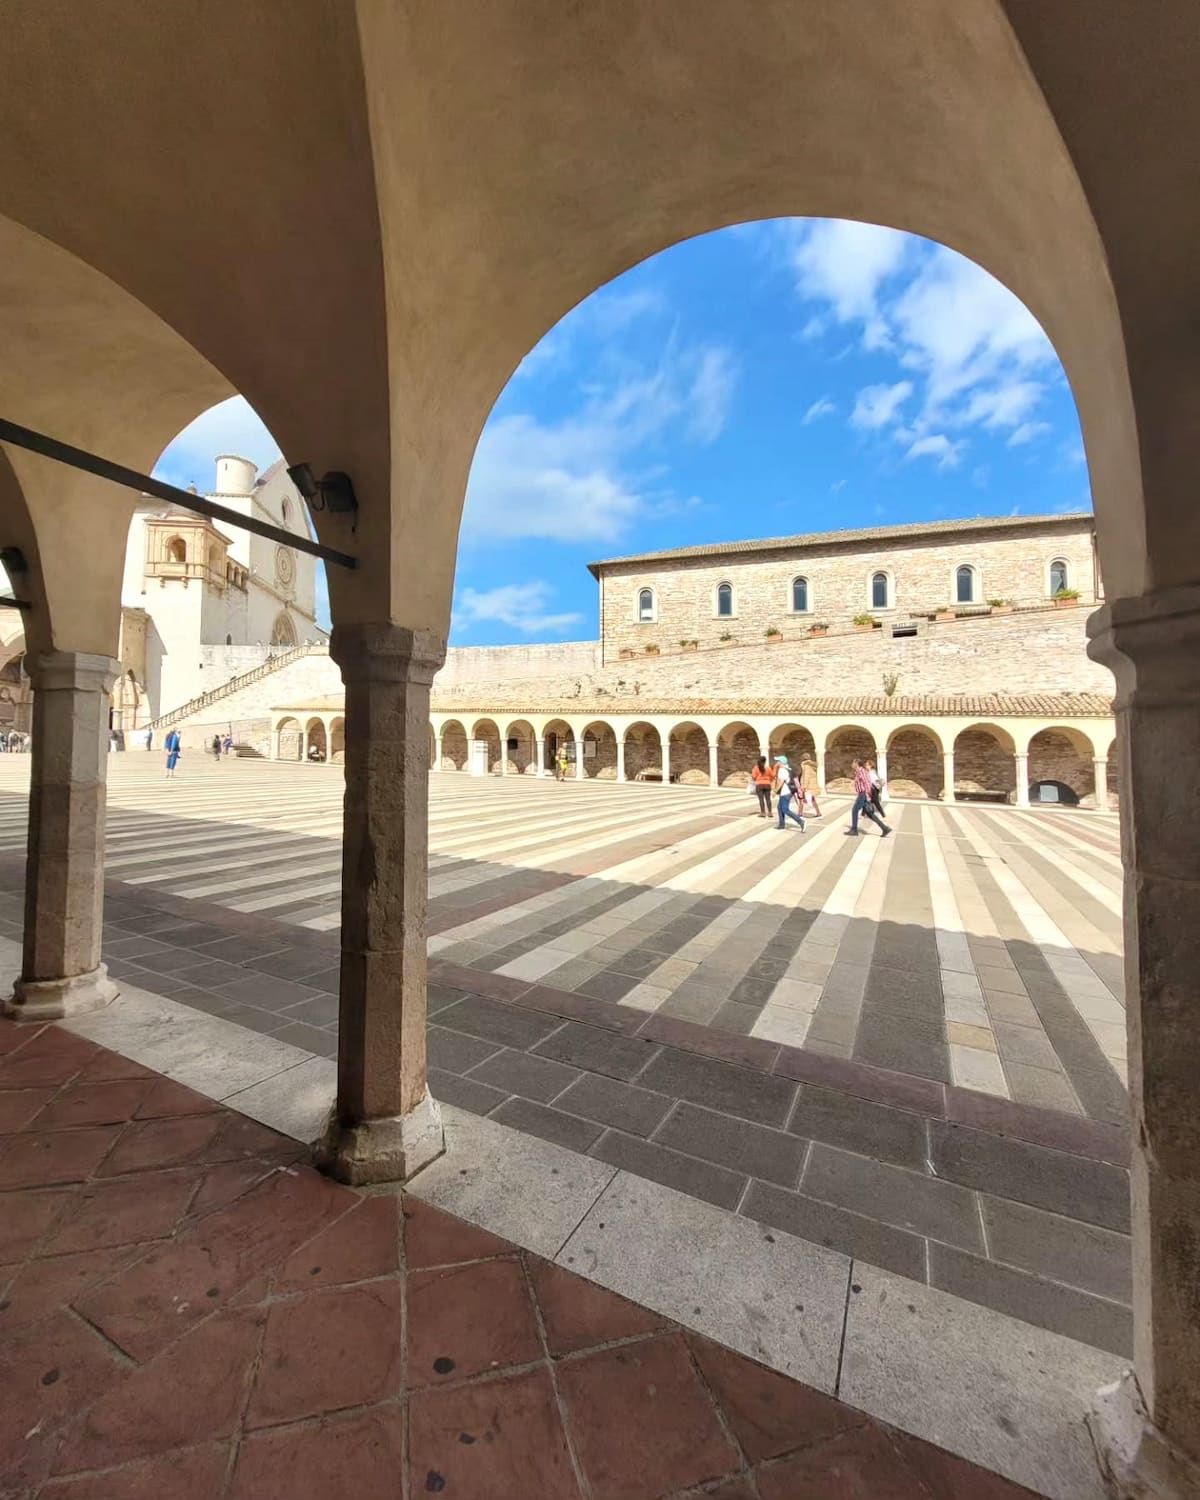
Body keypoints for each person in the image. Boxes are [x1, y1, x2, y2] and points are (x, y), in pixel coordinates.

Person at [846, 758, 891, 837]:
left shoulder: (861, 771)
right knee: (869, 813)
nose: (852, 764)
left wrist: (867, 795)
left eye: (853, 762)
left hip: (863, 794)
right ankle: (885, 828)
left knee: (855, 810)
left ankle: (854, 829)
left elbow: (867, 783)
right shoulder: (858, 772)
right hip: (862, 793)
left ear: (857, 764)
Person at [773, 755, 805, 831]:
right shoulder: (788, 769)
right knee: (779, 807)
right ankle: (781, 824)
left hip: (785, 791)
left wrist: (775, 791)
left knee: (785, 809)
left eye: (778, 761)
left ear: (781, 763)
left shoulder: (782, 770)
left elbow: (781, 782)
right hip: (789, 791)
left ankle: (800, 821)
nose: (777, 762)